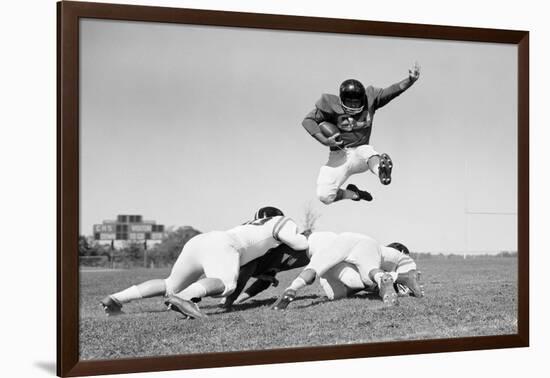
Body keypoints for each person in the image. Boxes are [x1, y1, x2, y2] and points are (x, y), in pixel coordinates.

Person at [99, 207, 309, 319]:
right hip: (223, 244)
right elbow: (298, 243)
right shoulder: (281, 221)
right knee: (225, 285)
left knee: (170, 283)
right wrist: (306, 238)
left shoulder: (248, 227)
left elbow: (246, 267)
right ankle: (184, 298)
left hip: (201, 241)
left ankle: (116, 298)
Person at [302, 63, 421, 205]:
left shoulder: (370, 99)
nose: (353, 106)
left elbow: (392, 91)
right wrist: (325, 141)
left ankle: (381, 171)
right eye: (349, 102)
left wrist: (410, 80)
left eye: (356, 102)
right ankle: (353, 194)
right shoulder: (330, 104)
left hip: (360, 153)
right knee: (325, 196)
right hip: (339, 155)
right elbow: (308, 121)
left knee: (367, 152)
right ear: (341, 99)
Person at [272, 232, 423, 310]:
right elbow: (404, 259)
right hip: (359, 244)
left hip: (345, 247)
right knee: (338, 293)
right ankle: (397, 278)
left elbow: (312, 271)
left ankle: (390, 279)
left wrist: (293, 288)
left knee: (365, 275)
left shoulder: (323, 247)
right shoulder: (328, 241)